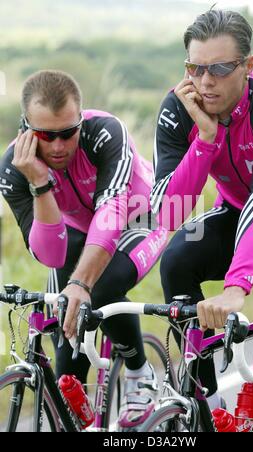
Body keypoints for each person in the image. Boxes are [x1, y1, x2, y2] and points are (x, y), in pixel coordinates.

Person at [151, 9, 253, 432]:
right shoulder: (180, 106)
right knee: (178, 260)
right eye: (195, 67)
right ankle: (205, 407)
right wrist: (206, 140)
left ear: (248, 67)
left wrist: (237, 288)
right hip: (238, 210)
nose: (206, 81)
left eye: (219, 68)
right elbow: (170, 211)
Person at [0, 70, 169, 430]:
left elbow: (111, 216)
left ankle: (140, 373)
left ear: (81, 121)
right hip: (78, 231)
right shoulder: (14, 169)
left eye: (68, 132)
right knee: (67, 337)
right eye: (46, 135)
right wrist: (40, 184)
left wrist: (82, 283)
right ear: (26, 129)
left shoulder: (107, 133)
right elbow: (51, 255)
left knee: (99, 287)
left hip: (140, 218)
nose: (59, 146)